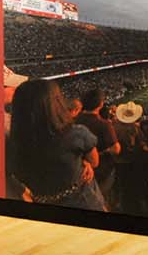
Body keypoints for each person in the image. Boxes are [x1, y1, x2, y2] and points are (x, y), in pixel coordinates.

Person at [6, 78, 105, 210]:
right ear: (55, 103)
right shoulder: (76, 133)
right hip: (82, 200)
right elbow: (94, 161)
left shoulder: (12, 144)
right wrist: (85, 163)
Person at [76, 88, 120, 207]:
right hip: (101, 170)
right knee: (100, 199)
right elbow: (116, 149)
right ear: (100, 104)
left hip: (79, 169)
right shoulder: (104, 124)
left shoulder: (74, 119)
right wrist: (105, 151)